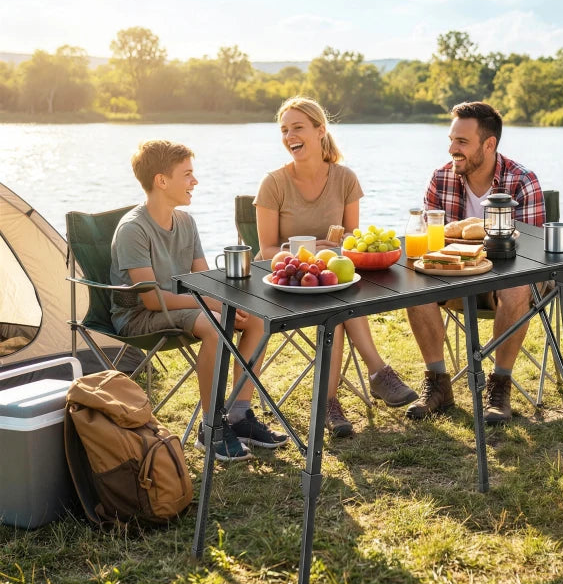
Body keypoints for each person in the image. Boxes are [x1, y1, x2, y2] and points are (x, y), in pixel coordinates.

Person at [110, 140, 287, 463]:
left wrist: (230, 304)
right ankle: (211, 427)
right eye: (188, 174)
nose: (195, 181)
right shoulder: (133, 229)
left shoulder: (186, 222)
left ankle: (239, 415)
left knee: (256, 319)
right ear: (161, 181)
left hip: (182, 307)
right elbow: (150, 299)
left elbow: (204, 280)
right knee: (218, 325)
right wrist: (215, 307)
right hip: (139, 315)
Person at [254, 96, 417, 437]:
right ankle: (377, 373)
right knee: (340, 306)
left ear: (320, 131)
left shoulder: (344, 179)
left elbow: (351, 243)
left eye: (297, 128)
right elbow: (265, 250)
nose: (289, 136)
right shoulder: (273, 183)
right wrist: (314, 250)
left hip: (332, 282)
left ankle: (330, 405)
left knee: (338, 307)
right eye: (284, 130)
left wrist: (336, 250)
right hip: (291, 284)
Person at [404, 101, 545, 424]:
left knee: (516, 286)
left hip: (512, 278)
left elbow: (530, 254)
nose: (453, 149)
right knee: (414, 279)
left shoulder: (522, 181)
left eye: (462, 142)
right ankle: (438, 383)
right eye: (452, 140)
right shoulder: (441, 178)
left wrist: (474, 245)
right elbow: (431, 244)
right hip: (458, 277)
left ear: (489, 144)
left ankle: (500, 386)